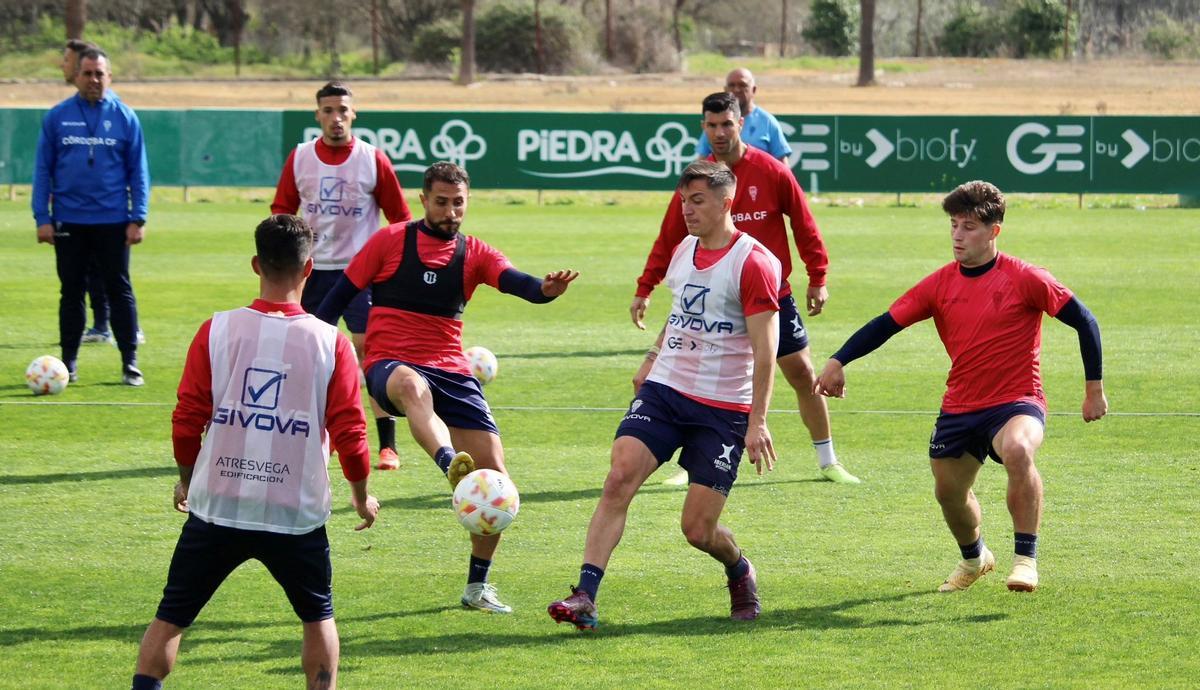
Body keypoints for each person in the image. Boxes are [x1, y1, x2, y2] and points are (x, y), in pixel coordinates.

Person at [813, 180, 1108, 593]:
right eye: (953, 224)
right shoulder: (939, 284)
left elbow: (1085, 320)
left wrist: (1093, 388)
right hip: (961, 405)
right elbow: (886, 324)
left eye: (969, 226)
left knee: (1019, 449)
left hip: (1017, 401)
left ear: (994, 231)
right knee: (949, 494)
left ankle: (1025, 559)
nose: (957, 234)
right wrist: (837, 360)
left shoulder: (1026, 278)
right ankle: (975, 557)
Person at [131, 214, 380, 690]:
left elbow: (187, 420)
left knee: (171, 618)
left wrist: (187, 477)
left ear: (255, 264)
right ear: (309, 269)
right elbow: (351, 430)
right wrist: (360, 493)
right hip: (294, 514)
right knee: (318, 617)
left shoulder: (216, 330)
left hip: (218, 507)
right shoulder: (332, 343)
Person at [316, 161, 578, 613]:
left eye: (459, 203)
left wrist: (546, 290)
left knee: (497, 483)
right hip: (390, 365)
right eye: (442, 202)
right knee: (412, 387)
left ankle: (477, 588)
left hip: (452, 369)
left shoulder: (474, 252)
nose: (451, 211)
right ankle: (449, 465)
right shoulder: (389, 241)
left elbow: (522, 285)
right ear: (423, 200)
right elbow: (334, 302)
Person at [548, 160, 781, 629]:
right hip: (666, 390)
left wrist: (757, 421)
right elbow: (678, 316)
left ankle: (739, 568)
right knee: (619, 476)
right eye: (683, 201)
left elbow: (765, 350)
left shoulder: (753, 263)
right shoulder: (683, 251)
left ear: (726, 202)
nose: (687, 210)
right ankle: (585, 597)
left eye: (697, 201)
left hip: (722, 409)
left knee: (697, 530)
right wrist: (652, 358)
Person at [632, 92, 859, 484]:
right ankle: (693, 466)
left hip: (772, 296)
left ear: (742, 123)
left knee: (802, 374)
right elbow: (670, 235)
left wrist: (818, 276)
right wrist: (645, 286)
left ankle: (828, 460)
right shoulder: (697, 181)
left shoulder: (771, 170)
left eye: (726, 124)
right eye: (711, 125)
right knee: (696, 379)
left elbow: (803, 223)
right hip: (712, 299)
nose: (719, 133)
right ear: (703, 127)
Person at [272, 81, 412, 471]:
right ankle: (319, 435)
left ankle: (387, 446)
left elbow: (400, 218)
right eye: (328, 110)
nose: (336, 118)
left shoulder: (371, 159)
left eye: (343, 110)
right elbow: (282, 211)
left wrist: (394, 267)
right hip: (312, 273)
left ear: (354, 114)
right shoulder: (300, 157)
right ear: (317, 115)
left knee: (370, 351)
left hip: (362, 274)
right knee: (311, 354)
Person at [33, 47, 149, 386]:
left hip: (113, 220)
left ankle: (130, 361)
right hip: (69, 220)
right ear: (76, 77)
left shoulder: (125, 117)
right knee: (71, 292)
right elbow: (43, 171)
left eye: (100, 73)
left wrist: (138, 217)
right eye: (87, 73)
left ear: (109, 77)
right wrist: (42, 216)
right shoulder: (57, 117)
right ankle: (68, 363)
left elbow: (138, 171)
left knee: (119, 290)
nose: (93, 79)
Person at [695, 68, 791, 164]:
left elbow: (782, 165)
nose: (736, 89)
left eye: (742, 85)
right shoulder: (715, 123)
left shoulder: (767, 122)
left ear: (753, 89)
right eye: (732, 85)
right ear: (725, 89)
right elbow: (702, 160)